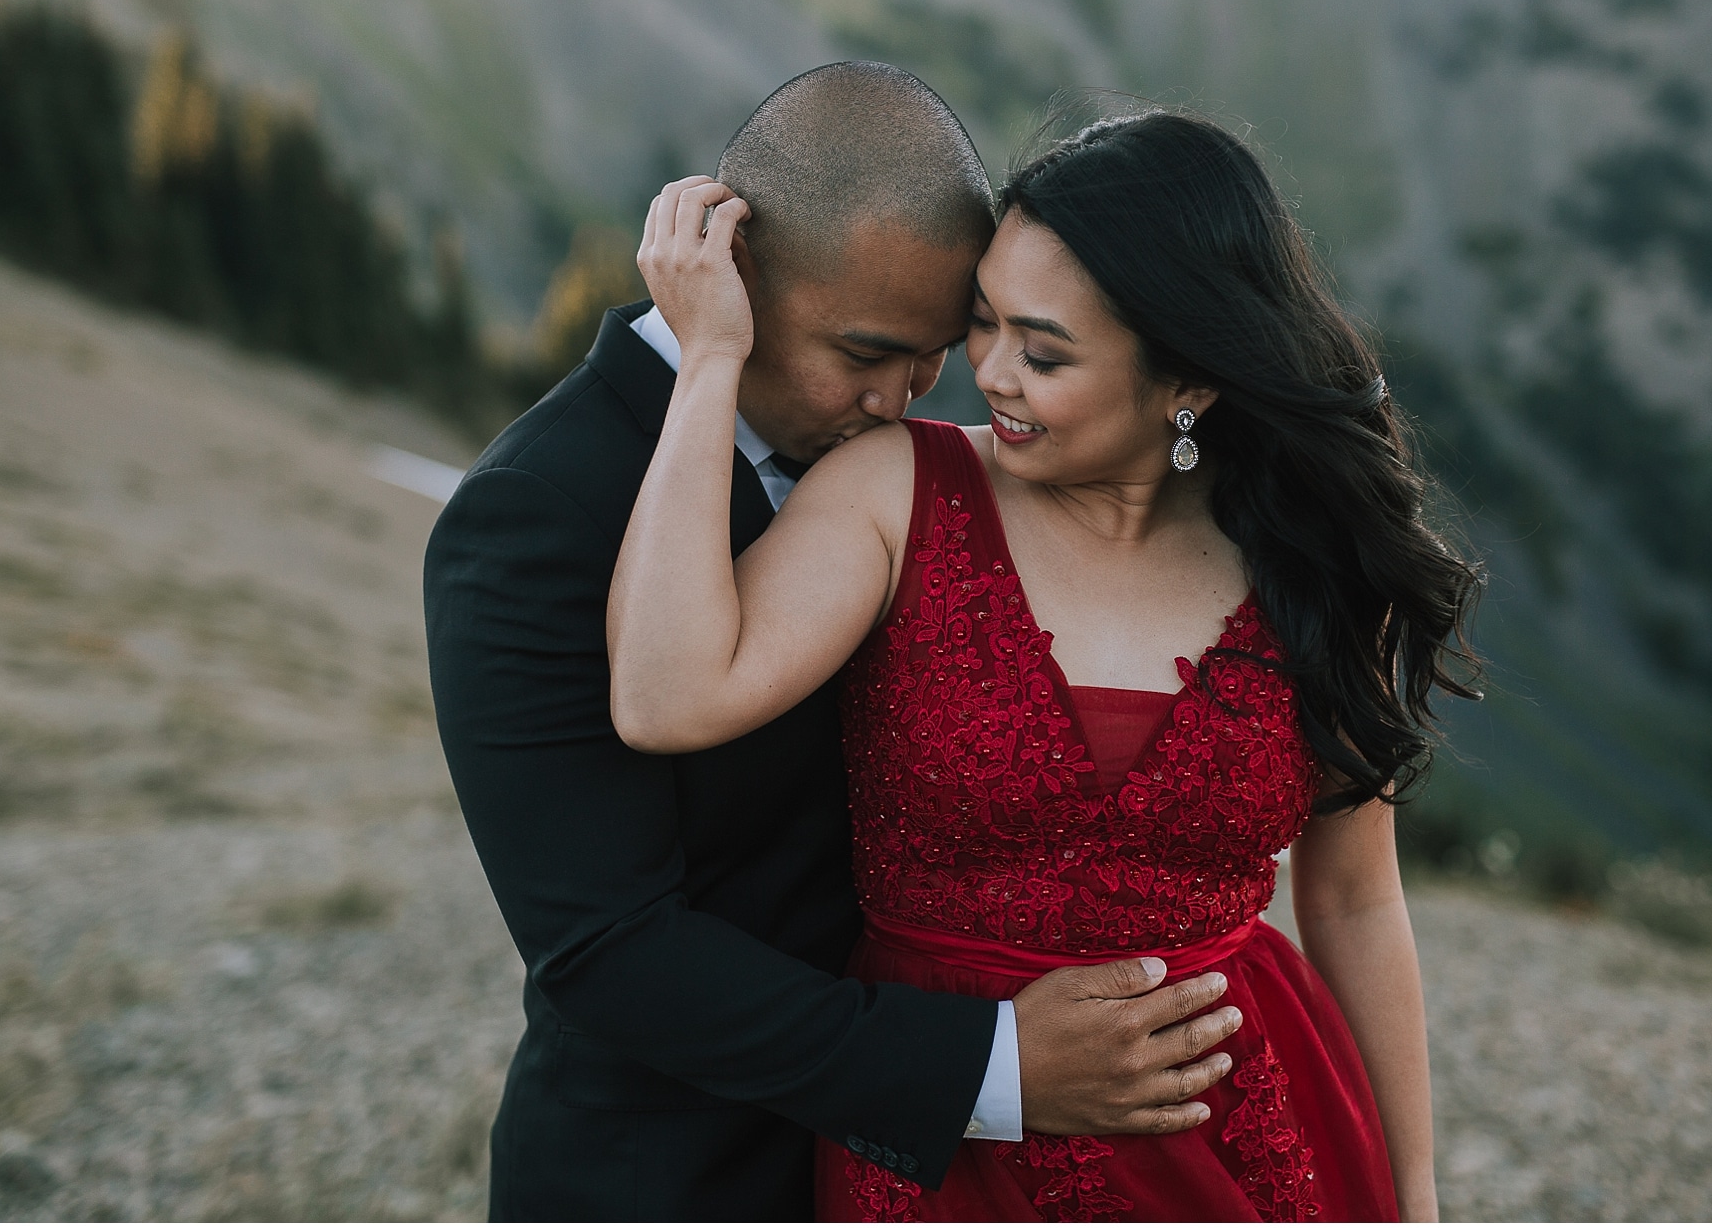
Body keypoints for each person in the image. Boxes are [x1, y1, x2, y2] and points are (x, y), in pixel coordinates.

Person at [608, 105, 1483, 1221]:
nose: (989, 374)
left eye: (1044, 350)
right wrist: (709, 361)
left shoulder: (1311, 567)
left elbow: (1356, 903)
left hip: (1249, 1140)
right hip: (945, 1149)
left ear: (1189, 382)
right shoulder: (897, 490)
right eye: (984, 324)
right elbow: (664, 694)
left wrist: (1411, 1196)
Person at [425, 66, 1243, 1222]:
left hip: (928, 1177)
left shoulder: (908, 469)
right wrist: (992, 1066)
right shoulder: (533, 510)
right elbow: (606, 949)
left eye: (930, 358)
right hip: (670, 1177)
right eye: (864, 355)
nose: (898, 400)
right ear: (736, 275)